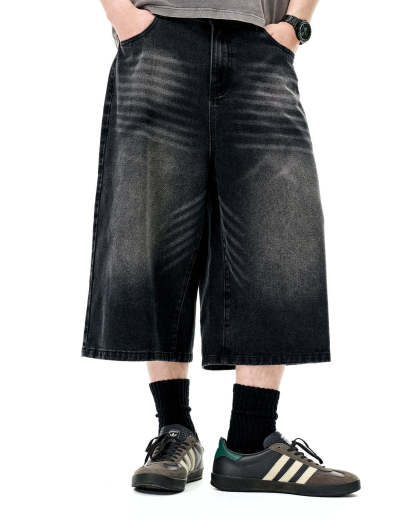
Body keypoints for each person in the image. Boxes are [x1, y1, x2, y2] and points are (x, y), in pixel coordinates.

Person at [83, 0, 360, 496]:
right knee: (153, 232)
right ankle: (174, 431)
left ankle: (250, 444)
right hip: (157, 36)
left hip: (262, 43)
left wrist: (296, 25)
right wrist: (123, 15)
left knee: (278, 231)